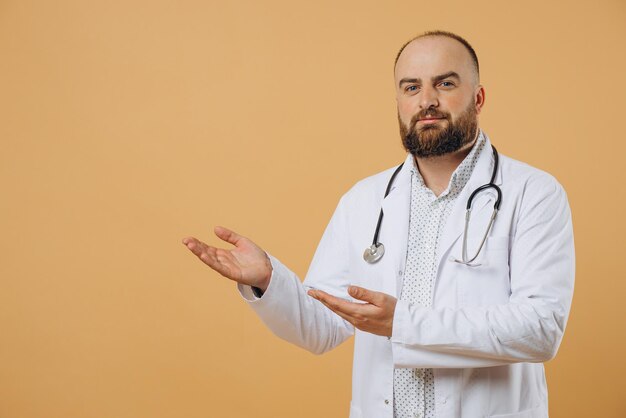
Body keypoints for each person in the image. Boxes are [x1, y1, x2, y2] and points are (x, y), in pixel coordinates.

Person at [182, 30, 575, 418]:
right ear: (399, 102)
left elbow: (540, 329)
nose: (427, 101)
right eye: (411, 87)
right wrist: (268, 281)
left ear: (478, 97)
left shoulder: (533, 193)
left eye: (445, 83)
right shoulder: (364, 200)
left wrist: (401, 323)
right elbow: (323, 326)